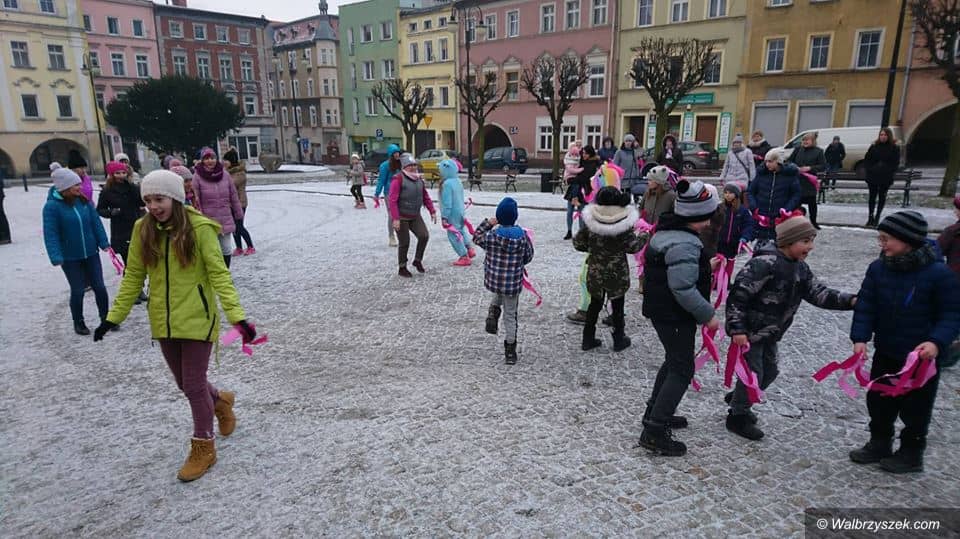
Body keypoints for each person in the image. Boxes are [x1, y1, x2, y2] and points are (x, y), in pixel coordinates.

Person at [93, 170, 257, 482]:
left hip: (197, 318)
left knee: (193, 386)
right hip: (163, 319)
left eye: (160, 199)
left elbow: (220, 275)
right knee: (186, 383)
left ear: (175, 198)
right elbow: (133, 276)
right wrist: (114, 317)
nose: (154, 206)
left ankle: (203, 447)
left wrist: (238, 318)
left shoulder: (200, 229)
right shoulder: (143, 229)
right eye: (148, 200)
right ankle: (220, 401)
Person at [725, 212, 856, 440]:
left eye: (811, 241)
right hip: (750, 333)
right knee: (754, 373)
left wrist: (852, 301)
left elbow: (819, 293)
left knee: (770, 371)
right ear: (788, 241)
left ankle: (740, 397)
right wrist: (737, 329)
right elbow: (738, 297)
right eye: (805, 241)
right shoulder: (763, 264)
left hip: (771, 333)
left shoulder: (801, 268)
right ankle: (737, 415)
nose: (810, 247)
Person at [849, 211, 960, 473]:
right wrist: (860, 338)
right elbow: (866, 305)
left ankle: (911, 452)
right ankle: (879, 442)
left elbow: (952, 314)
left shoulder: (939, 274)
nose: (882, 244)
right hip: (886, 350)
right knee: (879, 400)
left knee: (916, 408)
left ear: (907, 240)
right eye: (880, 238)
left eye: (886, 239)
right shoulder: (878, 269)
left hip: (921, 359)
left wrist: (936, 342)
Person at [639, 179, 720, 456]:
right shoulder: (685, 243)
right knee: (682, 369)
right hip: (674, 315)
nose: (710, 222)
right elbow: (682, 288)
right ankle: (654, 431)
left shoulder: (670, 233)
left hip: (664, 311)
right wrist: (708, 315)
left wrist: (704, 266)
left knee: (674, 361)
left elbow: (677, 272)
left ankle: (656, 410)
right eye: (708, 216)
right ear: (698, 215)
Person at [574, 186, 648, 352]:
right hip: (617, 271)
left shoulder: (590, 222)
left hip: (595, 270)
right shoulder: (624, 223)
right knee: (618, 304)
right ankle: (619, 338)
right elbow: (633, 247)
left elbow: (578, 243)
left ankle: (588, 338)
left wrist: (593, 249)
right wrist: (644, 236)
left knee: (594, 304)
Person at [42, 163, 111, 335]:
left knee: (100, 286)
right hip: (70, 257)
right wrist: (55, 255)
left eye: (79, 184)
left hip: (91, 253)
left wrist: (103, 241)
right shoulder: (52, 207)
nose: (80, 187)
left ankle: (106, 317)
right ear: (64, 188)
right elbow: (51, 233)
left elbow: (95, 222)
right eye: (76, 185)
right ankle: (78, 321)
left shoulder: (84, 201)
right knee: (78, 289)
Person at [474, 197, 534, 364]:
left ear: (499, 217)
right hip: (512, 283)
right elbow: (529, 256)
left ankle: (493, 313)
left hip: (495, 280)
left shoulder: (491, 236)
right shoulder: (522, 237)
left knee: (499, 290)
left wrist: (488, 223)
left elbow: (476, 236)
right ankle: (510, 350)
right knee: (510, 315)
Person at [97, 161, 146, 303]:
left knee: (140, 261)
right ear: (112, 174)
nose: (121, 175)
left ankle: (139, 288)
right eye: (118, 173)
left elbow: (141, 202)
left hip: (136, 226)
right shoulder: (107, 191)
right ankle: (132, 291)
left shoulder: (132, 187)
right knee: (129, 263)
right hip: (121, 230)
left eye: (123, 172)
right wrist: (111, 212)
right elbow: (100, 209)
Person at [192, 147, 243, 268]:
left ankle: (225, 272)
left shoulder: (225, 175)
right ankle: (214, 272)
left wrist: (238, 213)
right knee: (212, 250)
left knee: (226, 249)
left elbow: (233, 195)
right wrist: (200, 218)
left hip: (225, 218)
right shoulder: (197, 176)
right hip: (208, 220)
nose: (210, 161)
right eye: (207, 158)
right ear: (202, 160)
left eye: (212, 158)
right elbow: (196, 199)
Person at [388, 153, 436, 277]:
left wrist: (432, 210)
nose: (413, 167)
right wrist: (396, 219)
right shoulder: (398, 179)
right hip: (401, 216)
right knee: (405, 242)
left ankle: (417, 260)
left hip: (415, 215)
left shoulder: (419, 179)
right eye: (410, 165)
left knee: (424, 236)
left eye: (414, 165)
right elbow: (392, 201)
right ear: (404, 166)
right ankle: (402, 267)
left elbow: (425, 196)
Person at [748, 149, 801, 246]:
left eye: (770, 161)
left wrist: (787, 209)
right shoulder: (761, 174)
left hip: (779, 217)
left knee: (779, 246)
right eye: (766, 161)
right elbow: (751, 191)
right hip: (762, 215)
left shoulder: (790, 176)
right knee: (760, 247)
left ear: (778, 161)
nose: (767, 164)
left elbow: (796, 195)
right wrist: (754, 206)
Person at [936, 196, 960, 367]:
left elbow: (936, 251)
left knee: (949, 315)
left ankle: (947, 350)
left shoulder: (953, 232)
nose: (955, 212)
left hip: (955, 281)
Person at [439, 158, 475, 266]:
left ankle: (463, 256)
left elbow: (447, 203)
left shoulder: (447, 184)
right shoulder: (458, 181)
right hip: (460, 211)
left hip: (452, 214)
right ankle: (469, 249)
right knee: (462, 230)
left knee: (453, 234)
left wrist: (444, 217)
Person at [863, 127, 901, 228]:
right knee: (872, 197)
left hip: (885, 176)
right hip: (873, 176)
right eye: (881, 135)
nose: (883, 137)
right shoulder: (874, 147)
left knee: (882, 197)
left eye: (885, 135)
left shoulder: (894, 148)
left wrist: (886, 168)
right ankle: (870, 217)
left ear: (889, 136)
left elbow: (895, 163)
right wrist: (871, 168)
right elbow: (867, 160)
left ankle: (877, 217)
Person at [787, 132, 826, 229]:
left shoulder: (818, 151)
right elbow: (789, 161)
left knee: (812, 203)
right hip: (797, 180)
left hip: (810, 181)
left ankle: (813, 221)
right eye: (803, 140)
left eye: (807, 140)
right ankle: (795, 221)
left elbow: (823, 166)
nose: (805, 142)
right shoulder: (798, 150)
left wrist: (810, 168)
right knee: (796, 202)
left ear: (813, 141)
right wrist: (794, 166)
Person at [223, 148, 255, 256]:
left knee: (239, 226)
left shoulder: (240, 173)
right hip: (230, 204)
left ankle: (250, 246)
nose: (224, 162)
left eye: (226, 160)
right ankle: (239, 247)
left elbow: (231, 184)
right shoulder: (227, 172)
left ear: (231, 161)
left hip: (240, 203)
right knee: (234, 227)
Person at [564, 145, 600, 240]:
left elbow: (584, 178)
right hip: (573, 189)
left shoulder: (592, 164)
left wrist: (571, 180)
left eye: (586, 153)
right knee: (569, 211)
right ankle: (569, 231)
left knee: (581, 213)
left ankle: (581, 232)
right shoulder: (581, 160)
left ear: (590, 154)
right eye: (583, 153)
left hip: (584, 190)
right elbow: (573, 155)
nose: (584, 155)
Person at [716, 183, 754, 262]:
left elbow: (748, 225)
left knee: (730, 263)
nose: (727, 195)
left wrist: (745, 237)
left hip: (733, 244)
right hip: (719, 243)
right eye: (725, 192)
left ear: (736, 194)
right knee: (719, 264)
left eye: (730, 193)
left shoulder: (743, 210)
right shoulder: (719, 208)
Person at [375, 144, 403, 246]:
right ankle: (391, 236)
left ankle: (401, 235)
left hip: (401, 191)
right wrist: (377, 193)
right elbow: (381, 180)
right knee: (392, 215)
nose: (397, 155)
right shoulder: (385, 166)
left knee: (401, 215)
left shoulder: (401, 164)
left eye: (398, 153)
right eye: (394, 153)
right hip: (389, 193)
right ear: (391, 154)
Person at [613, 134, 643, 202]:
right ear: (624, 142)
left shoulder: (634, 152)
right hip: (622, 178)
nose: (628, 143)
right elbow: (615, 165)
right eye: (626, 141)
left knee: (630, 196)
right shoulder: (619, 152)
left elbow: (636, 165)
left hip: (632, 178)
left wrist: (637, 174)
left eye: (630, 141)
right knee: (622, 196)